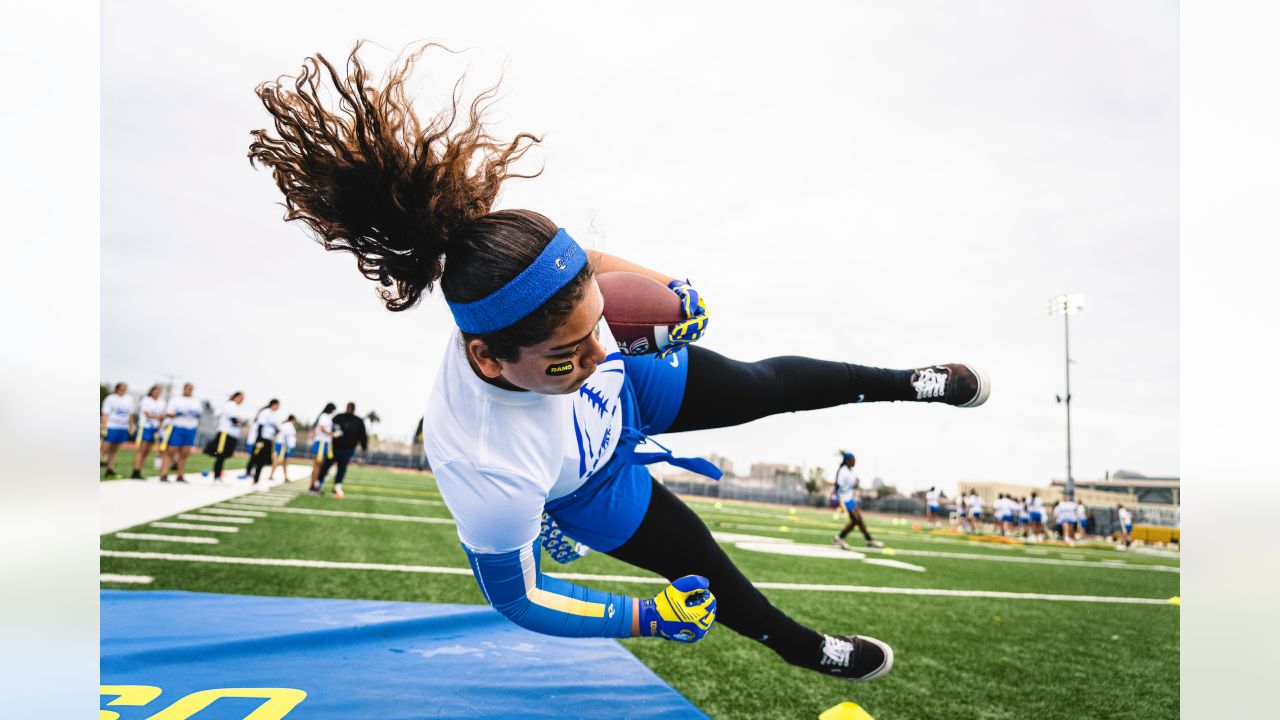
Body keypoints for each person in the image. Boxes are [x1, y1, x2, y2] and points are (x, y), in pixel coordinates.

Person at [247, 42, 992, 682]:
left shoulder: (538, 287)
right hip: (583, 481)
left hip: (619, 409)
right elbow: (518, 598)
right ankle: (804, 649)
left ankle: (913, 383)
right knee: (700, 561)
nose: (603, 352)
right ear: (489, 356)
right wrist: (640, 618)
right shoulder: (489, 468)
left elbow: (587, 265)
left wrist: (668, 291)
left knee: (762, 385)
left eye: (597, 322)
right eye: (571, 351)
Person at [317, 402, 370, 499]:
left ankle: (337, 486)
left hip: (348, 449)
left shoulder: (358, 421)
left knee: (342, 467)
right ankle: (318, 483)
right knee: (326, 465)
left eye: (351, 407)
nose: (349, 409)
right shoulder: (338, 417)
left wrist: (364, 446)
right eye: (348, 407)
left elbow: (362, 434)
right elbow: (330, 427)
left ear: (353, 409)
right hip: (335, 447)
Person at [831, 453, 883, 550]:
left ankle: (869, 540)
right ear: (848, 461)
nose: (855, 462)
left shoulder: (852, 471)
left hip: (850, 498)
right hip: (844, 499)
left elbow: (853, 484)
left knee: (859, 520)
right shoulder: (843, 471)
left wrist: (857, 484)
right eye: (853, 460)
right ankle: (840, 537)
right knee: (856, 520)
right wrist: (837, 500)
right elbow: (838, 485)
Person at [160, 383, 201, 483]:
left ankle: (180, 475)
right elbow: (168, 413)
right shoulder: (176, 400)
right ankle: (164, 474)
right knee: (171, 450)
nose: (189, 390)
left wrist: (192, 413)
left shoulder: (196, 402)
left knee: (185, 452)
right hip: (177, 427)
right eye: (188, 388)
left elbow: (199, 414)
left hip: (190, 429)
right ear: (184, 389)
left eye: (191, 389)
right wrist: (179, 413)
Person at [207, 391, 248, 481]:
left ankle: (218, 473)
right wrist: (242, 422)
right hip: (225, 433)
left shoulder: (237, 407)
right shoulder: (230, 405)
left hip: (232, 434)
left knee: (226, 454)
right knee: (220, 454)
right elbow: (234, 420)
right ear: (236, 397)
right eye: (241, 398)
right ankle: (217, 475)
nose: (242, 400)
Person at [129, 385, 166, 479]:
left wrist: (160, 425)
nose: (157, 393)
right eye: (156, 390)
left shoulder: (162, 402)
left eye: (159, 391)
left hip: (155, 428)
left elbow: (162, 415)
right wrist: (159, 418)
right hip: (145, 427)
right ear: (152, 391)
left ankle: (139, 470)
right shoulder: (146, 400)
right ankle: (135, 471)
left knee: (147, 451)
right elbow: (147, 414)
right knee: (141, 449)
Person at [241, 399, 281, 485]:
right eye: (278, 405)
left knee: (262, 460)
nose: (278, 407)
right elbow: (260, 426)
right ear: (274, 404)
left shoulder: (274, 415)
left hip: (268, 440)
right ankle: (248, 473)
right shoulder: (265, 412)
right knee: (256, 457)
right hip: (261, 439)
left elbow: (275, 428)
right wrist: (259, 439)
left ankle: (256, 479)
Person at [100, 382, 135, 480]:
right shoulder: (110, 399)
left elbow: (130, 414)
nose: (123, 390)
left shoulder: (129, 399)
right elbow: (105, 413)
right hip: (112, 426)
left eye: (125, 388)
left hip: (122, 427)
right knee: (105, 448)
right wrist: (104, 427)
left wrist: (131, 425)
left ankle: (110, 471)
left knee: (114, 451)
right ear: (117, 388)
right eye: (122, 388)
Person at [308, 402, 337, 494]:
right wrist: (331, 433)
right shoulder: (324, 416)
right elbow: (322, 428)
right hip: (321, 442)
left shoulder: (327, 417)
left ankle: (315, 485)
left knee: (321, 466)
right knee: (317, 465)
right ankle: (313, 486)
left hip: (325, 443)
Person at [269, 414, 298, 482]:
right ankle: (271, 475)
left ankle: (285, 477)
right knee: (278, 460)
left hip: (284, 445)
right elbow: (285, 436)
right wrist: (286, 446)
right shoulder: (288, 425)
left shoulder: (286, 425)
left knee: (285, 462)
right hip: (284, 446)